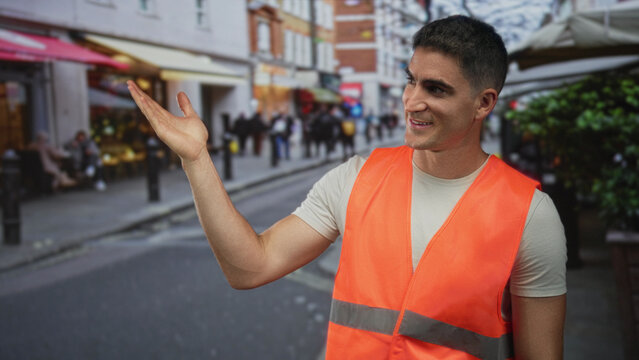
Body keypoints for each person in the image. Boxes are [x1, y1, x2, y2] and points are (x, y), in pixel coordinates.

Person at [127, 15, 566, 359]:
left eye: (436, 89)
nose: (413, 101)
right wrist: (197, 159)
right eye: (411, 80)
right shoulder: (357, 176)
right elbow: (250, 267)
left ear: (484, 102)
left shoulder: (530, 214)